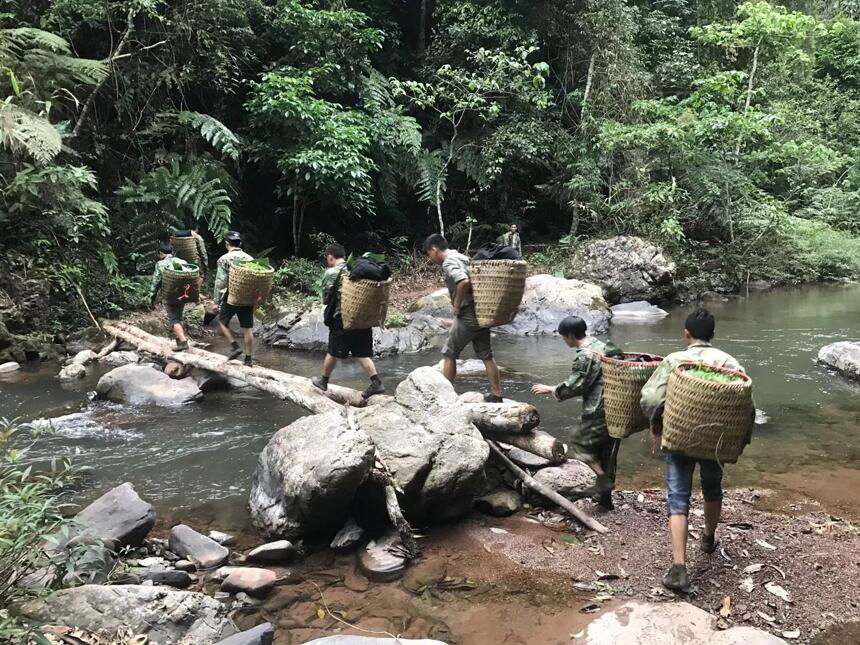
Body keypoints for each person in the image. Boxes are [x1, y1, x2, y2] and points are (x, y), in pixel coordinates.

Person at [640, 308, 748, 592]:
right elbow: (745, 405)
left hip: (679, 437)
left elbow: (650, 398)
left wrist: (656, 423)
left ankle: (678, 568)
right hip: (714, 441)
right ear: (713, 335)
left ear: (686, 334)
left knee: (678, 497)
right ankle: (709, 537)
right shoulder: (729, 361)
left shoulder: (675, 360)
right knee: (712, 489)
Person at [530, 316, 622, 509]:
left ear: (571, 336)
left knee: (579, 444)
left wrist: (550, 389)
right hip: (618, 407)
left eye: (564, 337)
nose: (565, 341)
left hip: (598, 409)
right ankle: (606, 501)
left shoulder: (585, 355)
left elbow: (576, 385)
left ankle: (604, 480)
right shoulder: (602, 345)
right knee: (608, 453)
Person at [424, 233, 503, 403]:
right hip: (481, 311)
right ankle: (497, 395)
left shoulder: (449, 262)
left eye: (429, 254)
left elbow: (464, 281)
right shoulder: (460, 256)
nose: (430, 258)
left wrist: (457, 305)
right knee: (486, 355)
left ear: (434, 250)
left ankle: (445, 396)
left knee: (449, 353)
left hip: (468, 314)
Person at [311, 243, 385, 398]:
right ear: (344, 257)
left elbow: (326, 299)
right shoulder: (358, 269)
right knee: (362, 353)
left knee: (333, 351)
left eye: (327, 259)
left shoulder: (332, 272)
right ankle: (376, 382)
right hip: (361, 318)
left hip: (342, 319)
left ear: (330, 257)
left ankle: (323, 381)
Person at [213, 231, 255, 366]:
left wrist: (216, 301)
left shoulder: (224, 259)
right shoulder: (249, 258)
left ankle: (235, 346)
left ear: (227, 244)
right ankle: (248, 359)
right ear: (240, 244)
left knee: (222, 322)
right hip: (247, 297)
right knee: (247, 328)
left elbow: (220, 282)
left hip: (230, 296)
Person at [149, 242, 190, 351]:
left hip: (169, 295)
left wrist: (151, 298)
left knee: (174, 319)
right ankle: (179, 344)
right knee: (178, 318)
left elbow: (156, 282)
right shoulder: (183, 262)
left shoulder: (160, 264)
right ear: (172, 252)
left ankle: (183, 341)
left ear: (161, 253)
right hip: (182, 294)